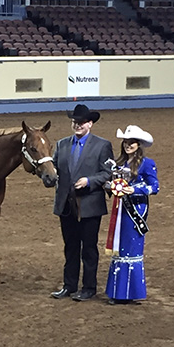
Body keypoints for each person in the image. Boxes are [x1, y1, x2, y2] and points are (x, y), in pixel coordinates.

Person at [51, 104, 113, 301]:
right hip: (67, 206)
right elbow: (54, 170)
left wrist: (89, 181)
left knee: (88, 248)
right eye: (74, 122)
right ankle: (69, 285)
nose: (77, 125)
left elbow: (107, 173)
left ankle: (89, 287)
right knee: (70, 247)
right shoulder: (62, 145)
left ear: (90, 123)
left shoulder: (102, 145)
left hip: (89, 205)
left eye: (81, 122)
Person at [105, 125, 159, 305]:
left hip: (135, 210)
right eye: (126, 142)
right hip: (120, 209)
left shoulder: (147, 163)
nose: (128, 145)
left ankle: (127, 292)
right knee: (119, 248)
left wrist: (133, 189)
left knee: (131, 248)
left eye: (132, 143)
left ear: (139, 144)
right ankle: (119, 292)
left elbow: (154, 187)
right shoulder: (119, 164)